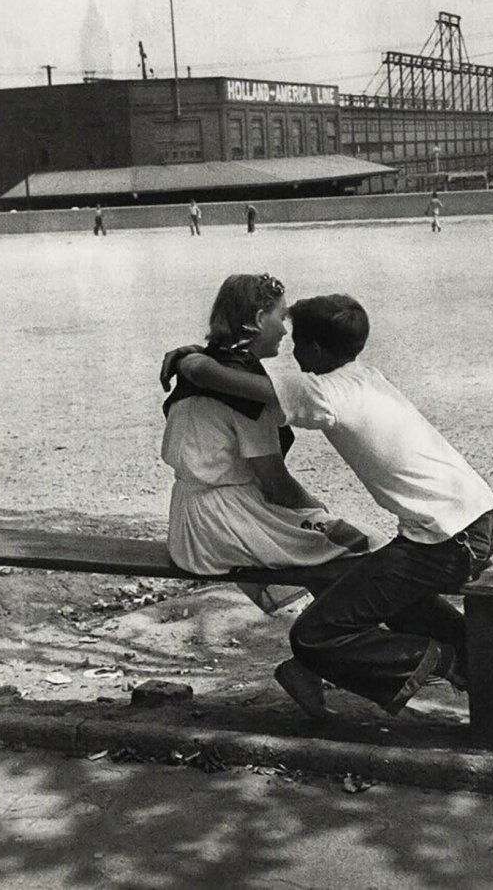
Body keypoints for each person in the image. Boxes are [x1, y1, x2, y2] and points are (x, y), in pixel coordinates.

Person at [161, 294, 493, 727]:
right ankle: (492, 661)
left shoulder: (323, 393)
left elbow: (225, 380)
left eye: (298, 343)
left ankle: (456, 663)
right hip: (474, 520)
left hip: (444, 540)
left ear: (318, 351)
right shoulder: (365, 376)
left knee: (312, 636)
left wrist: (189, 360)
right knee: (385, 595)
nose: (291, 350)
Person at [161, 274, 373, 713]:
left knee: (324, 544)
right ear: (258, 319)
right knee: (358, 544)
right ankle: (316, 661)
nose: (286, 327)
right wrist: (321, 513)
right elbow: (275, 484)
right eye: (280, 315)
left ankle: (311, 667)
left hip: (188, 518)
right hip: (220, 521)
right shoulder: (240, 385)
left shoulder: (209, 366)